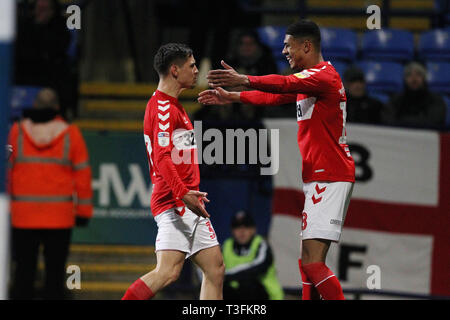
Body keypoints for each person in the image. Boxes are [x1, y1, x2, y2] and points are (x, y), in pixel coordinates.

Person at [199, 19, 355, 300]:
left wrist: (244, 79)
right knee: (307, 262)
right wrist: (234, 97)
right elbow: (273, 98)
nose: (284, 51)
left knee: (313, 263)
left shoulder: (323, 76)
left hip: (329, 175)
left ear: (306, 46)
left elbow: (282, 84)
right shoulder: (313, 81)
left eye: (288, 46)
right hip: (320, 176)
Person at [122, 43, 225, 300]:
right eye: (191, 66)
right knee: (167, 272)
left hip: (188, 201)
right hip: (175, 201)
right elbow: (162, 158)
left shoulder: (172, 105)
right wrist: (183, 194)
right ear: (174, 70)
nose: (195, 71)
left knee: (215, 268)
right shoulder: (165, 108)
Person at [7, 88, 93, 299]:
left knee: (23, 273)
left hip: (23, 217)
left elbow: (7, 172)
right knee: (55, 275)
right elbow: (82, 175)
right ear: (57, 108)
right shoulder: (71, 133)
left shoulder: (16, 132)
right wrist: (83, 211)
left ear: (34, 106)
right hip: (59, 218)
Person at [222, 211, 284, 300]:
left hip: (267, 294)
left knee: (247, 284)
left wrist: (226, 275)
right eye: (237, 227)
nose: (242, 231)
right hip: (235, 292)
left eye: (246, 226)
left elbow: (258, 268)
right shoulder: (226, 246)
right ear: (232, 231)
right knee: (221, 288)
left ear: (253, 229)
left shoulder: (261, 244)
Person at [384, 62, 446, 129]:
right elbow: (387, 120)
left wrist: (403, 121)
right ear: (404, 79)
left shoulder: (436, 100)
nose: (414, 79)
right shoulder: (395, 100)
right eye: (409, 75)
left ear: (424, 78)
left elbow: (434, 121)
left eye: (418, 74)